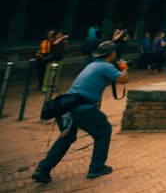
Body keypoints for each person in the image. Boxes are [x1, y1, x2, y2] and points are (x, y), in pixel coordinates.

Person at [31, 41, 128, 184]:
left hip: (66, 107)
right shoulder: (106, 66)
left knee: (67, 137)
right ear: (112, 54)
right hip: (82, 108)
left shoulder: (92, 64)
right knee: (104, 131)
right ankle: (97, 167)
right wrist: (124, 68)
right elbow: (123, 79)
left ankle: (43, 169)